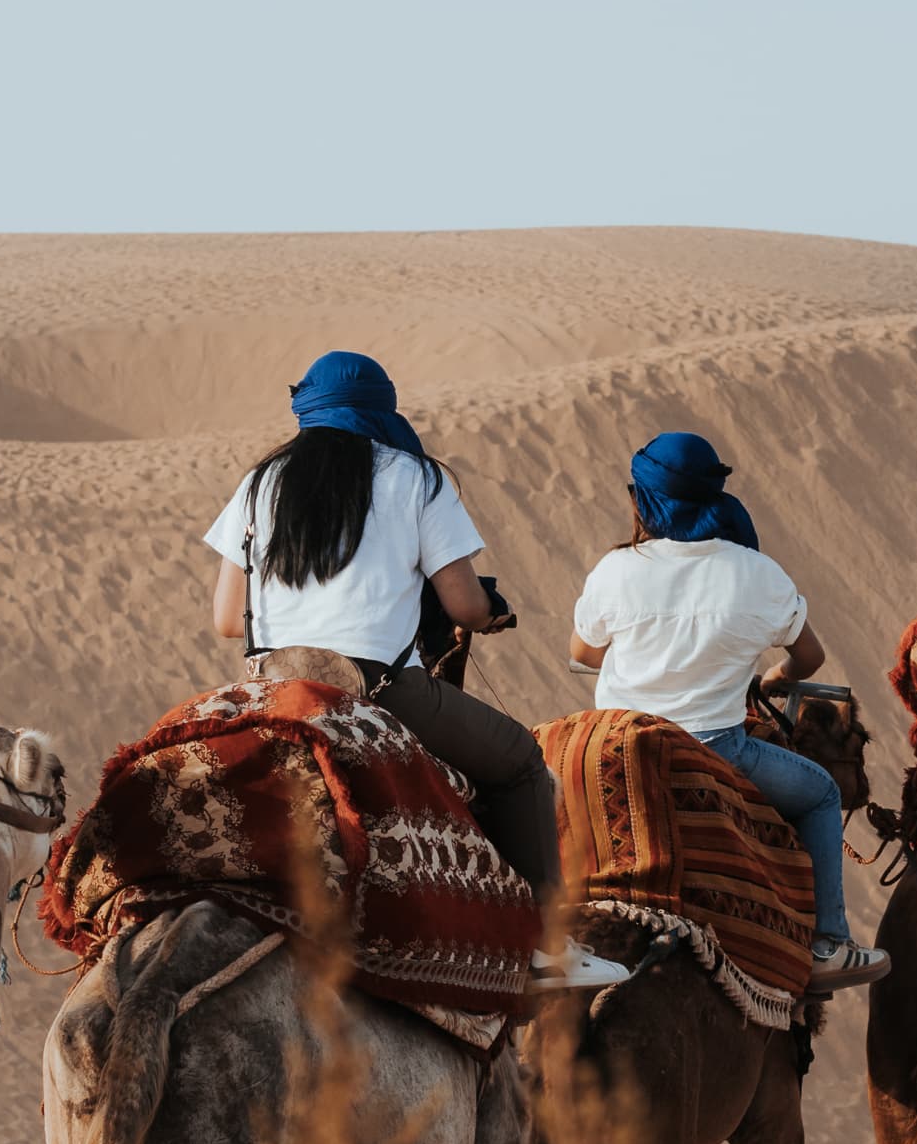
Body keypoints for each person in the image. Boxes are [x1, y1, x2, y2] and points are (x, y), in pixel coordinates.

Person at [204, 351, 625, 992]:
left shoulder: (260, 481)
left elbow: (228, 621)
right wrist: (486, 611)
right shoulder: (412, 476)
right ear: (382, 409)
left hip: (270, 688)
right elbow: (462, 604)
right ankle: (546, 948)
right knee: (517, 762)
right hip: (375, 689)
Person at [568, 433, 888, 995]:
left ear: (642, 501)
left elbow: (583, 655)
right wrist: (772, 678)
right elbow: (809, 657)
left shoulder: (615, 570)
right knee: (819, 793)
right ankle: (828, 945)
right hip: (712, 746)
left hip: (618, 742)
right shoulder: (756, 572)